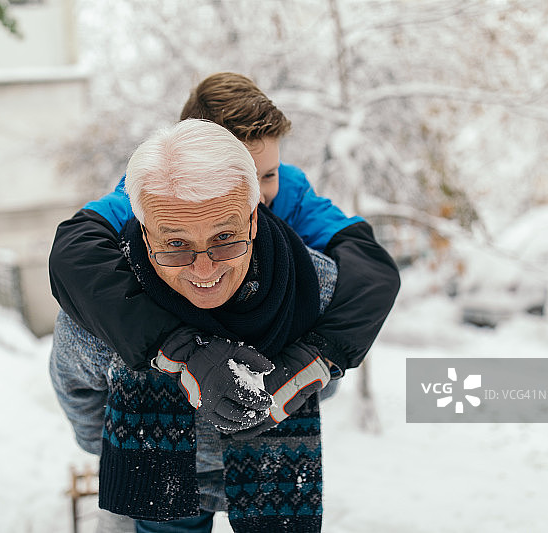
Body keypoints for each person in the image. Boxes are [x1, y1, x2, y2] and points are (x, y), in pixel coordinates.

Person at [49, 73, 400, 430]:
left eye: (267, 174)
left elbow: (370, 268)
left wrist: (316, 355)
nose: (258, 196)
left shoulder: (289, 191)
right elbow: (75, 253)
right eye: (240, 172)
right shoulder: (161, 196)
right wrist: (179, 347)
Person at [51, 119, 346, 532]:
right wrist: (105, 447)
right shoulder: (98, 312)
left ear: (253, 219)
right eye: (175, 244)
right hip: (152, 481)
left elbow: (326, 381)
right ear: (143, 229)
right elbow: (75, 385)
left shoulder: (316, 286)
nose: (204, 269)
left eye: (225, 237)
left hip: (272, 483)